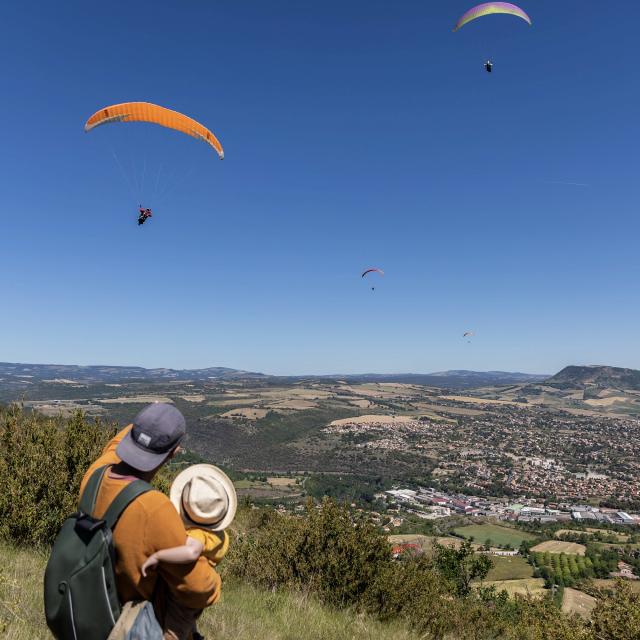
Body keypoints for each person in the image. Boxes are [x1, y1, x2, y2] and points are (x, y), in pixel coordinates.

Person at [80, 403, 221, 640]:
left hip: (91, 607)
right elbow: (198, 588)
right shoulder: (154, 509)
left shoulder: (96, 472)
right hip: (129, 624)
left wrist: (149, 419)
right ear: (174, 452)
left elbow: (118, 444)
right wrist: (216, 582)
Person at [141, 464, 237, 640]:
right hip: (198, 594)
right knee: (188, 623)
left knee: (173, 632)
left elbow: (192, 552)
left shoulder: (198, 535)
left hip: (184, 597)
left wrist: (158, 555)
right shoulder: (220, 535)